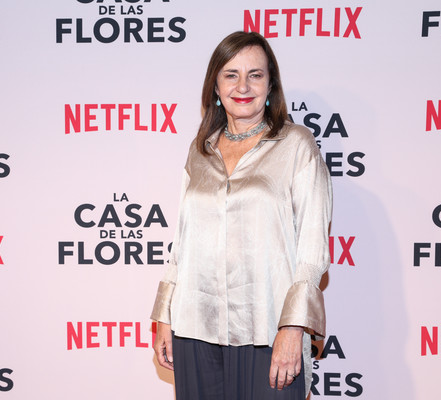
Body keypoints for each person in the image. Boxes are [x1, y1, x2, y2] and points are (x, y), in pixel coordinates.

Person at [151, 31, 332, 399]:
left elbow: (312, 250)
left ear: (271, 85)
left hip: (269, 328)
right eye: (231, 75)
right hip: (195, 327)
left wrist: (293, 327)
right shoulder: (200, 151)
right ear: (216, 87)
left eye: (255, 75)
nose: (243, 86)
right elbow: (182, 244)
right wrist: (165, 315)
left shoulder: (297, 145)